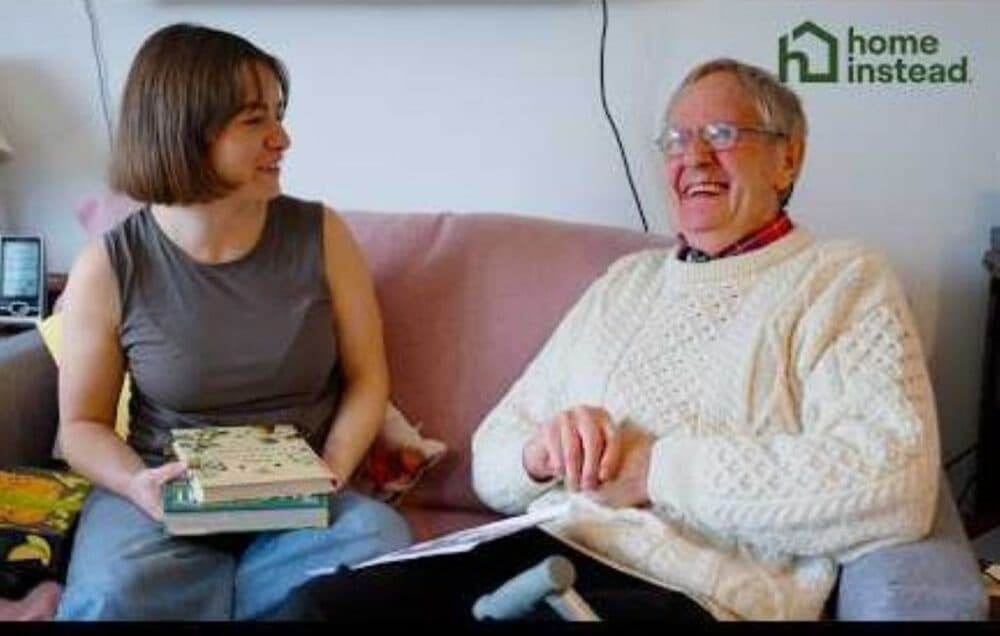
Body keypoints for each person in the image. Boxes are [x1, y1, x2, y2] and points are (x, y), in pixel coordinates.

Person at [276, 57, 940, 621]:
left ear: (787, 157)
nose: (693, 157)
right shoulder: (628, 282)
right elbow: (492, 462)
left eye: (721, 133)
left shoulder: (842, 279)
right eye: (675, 141)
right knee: (317, 608)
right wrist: (541, 454)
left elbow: (893, 482)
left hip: (696, 589)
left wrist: (656, 471)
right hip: (548, 543)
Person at [54, 23, 412, 620]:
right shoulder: (109, 265)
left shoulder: (324, 235)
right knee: (111, 593)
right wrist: (139, 485)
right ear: (185, 132)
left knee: (379, 545)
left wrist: (332, 471)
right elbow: (82, 427)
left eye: (278, 115)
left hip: (299, 503)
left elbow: (368, 379)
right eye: (254, 120)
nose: (283, 138)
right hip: (163, 497)